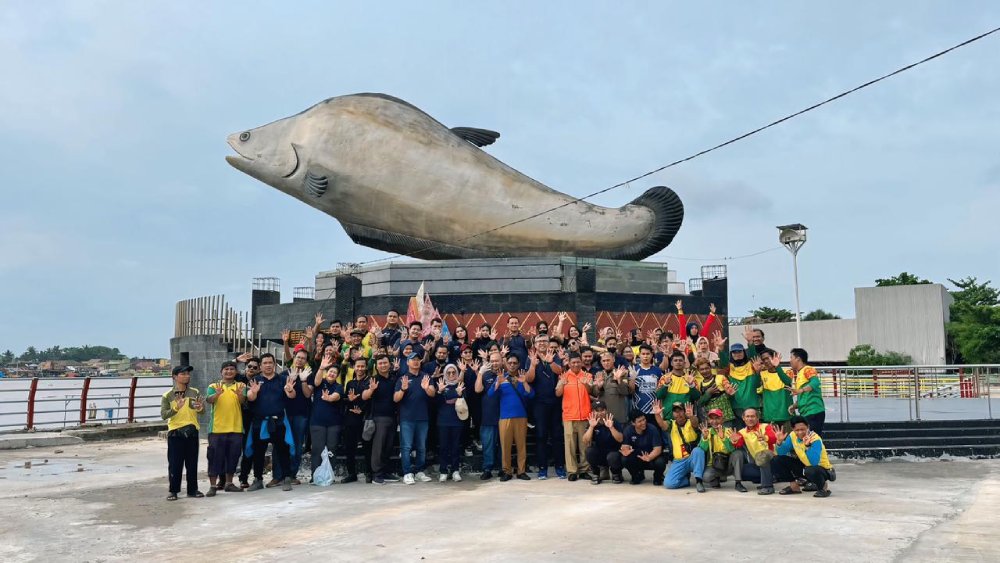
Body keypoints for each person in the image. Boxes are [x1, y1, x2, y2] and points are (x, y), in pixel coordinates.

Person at [246, 353, 296, 492]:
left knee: (282, 450)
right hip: (260, 422)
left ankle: (286, 477)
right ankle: (258, 479)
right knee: (258, 452)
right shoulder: (255, 380)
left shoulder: (283, 379)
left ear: (274, 364)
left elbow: (292, 396)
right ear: (260, 366)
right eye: (265, 363)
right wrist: (254, 392)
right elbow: (249, 398)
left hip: (278, 422)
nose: (268, 365)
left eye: (270, 362)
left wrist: (290, 391)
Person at [525, 334, 566, 480]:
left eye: (544, 341)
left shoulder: (554, 356)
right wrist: (532, 365)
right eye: (539, 341)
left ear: (549, 343)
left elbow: (561, 372)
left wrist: (550, 362)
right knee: (541, 436)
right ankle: (542, 469)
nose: (542, 343)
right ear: (535, 344)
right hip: (539, 403)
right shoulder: (531, 357)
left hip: (555, 402)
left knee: (556, 436)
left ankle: (560, 467)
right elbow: (529, 379)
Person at [161, 365, 205, 500]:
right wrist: (176, 408)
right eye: (183, 374)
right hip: (175, 432)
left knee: (192, 463)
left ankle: (193, 490)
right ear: (175, 377)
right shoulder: (168, 395)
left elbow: (200, 412)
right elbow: (164, 415)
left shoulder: (194, 392)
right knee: (175, 463)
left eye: (188, 374)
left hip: (192, 430)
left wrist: (200, 408)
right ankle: (173, 491)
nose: (187, 376)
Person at [489, 353, 535, 481]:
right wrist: (497, 383)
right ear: (506, 364)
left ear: (519, 364)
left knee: (521, 446)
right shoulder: (501, 377)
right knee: (505, 446)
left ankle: (521, 471)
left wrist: (524, 382)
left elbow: (531, 395)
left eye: (515, 363)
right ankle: (507, 471)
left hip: (521, 416)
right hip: (505, 417)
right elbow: (490, 394)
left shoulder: (522, 377)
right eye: (510, 363)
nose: (512, 365)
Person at [394, 352, 436, 485]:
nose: (416, 362)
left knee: (421, 447)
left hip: (423, 418)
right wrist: (403, 389)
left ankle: (419, 471)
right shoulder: (403, 378)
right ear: (407, 362)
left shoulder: (426, 376)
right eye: (413, 359)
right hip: (407, 418)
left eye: (418, 359)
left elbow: (433, 393)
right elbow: (395, 398)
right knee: (406, 447)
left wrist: (426, 388)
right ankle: (407, 473)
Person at [205, 361, 246, 496]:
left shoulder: (241, 385)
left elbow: (242, 401)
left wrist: (240, 394)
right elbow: (209, 400)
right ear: (221, 371)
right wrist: (217, 394)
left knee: (233, 457)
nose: (229, 371)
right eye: (226, 369)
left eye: (232, 369)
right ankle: (212, 486)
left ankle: (229, 483)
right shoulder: (213, 386)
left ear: (236, 372)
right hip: (217, 429)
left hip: (236, 428)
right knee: (214, 457)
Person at [772, 415, 835, 497]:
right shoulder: (793, 436)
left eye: (803, 429)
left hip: (822, 469)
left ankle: (823, 487)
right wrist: (779, 442)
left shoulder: (815, 439)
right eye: (797, 430)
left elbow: (814, 462)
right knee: (777, 460)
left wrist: (808, 446)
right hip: (805, 467)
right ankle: (794, 487)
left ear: (808, 427)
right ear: (792, 429)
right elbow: (781, 453)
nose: (800, 432)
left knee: (810, 470)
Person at [277, 348, 314, 485]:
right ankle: (279, 475)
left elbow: (307, 394)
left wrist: (303, 380)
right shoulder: (283, 374)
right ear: (293, 357)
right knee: (281, 444)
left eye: (303, 358)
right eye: (298, 357)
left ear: (306, 361)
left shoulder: (309, 375)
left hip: (301, 415)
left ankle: (292, 474)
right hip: (285, 415)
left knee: (297, 445)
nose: (300, 360)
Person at [556, 352, 593, 482]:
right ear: (569, 364)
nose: (576, 364)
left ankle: (584, 470)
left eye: (578, 362)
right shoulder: (564, 376)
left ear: (581, 363)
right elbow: (558, 394)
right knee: (570, 445)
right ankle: (572, 471)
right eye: (573, 363)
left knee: (585, 445)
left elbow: (591, 392)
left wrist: (586, 384)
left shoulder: (588, 376)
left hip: (584, 416)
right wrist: (561, 384)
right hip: (569, 416)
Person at [655, 401, 706, 491]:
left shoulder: (691, 421)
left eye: (680, 411)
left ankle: (699, 481)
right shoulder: (671, 424)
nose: (678, 414)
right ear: (673, 413)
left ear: (685, 411)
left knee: (698, 451)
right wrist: (657, 415)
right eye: (676, 411)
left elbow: (695, 423)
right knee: (669, 484)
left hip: (692, 459)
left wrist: (691, 416)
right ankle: (686, 480)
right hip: (679, 461)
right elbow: (662, 424)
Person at [364, 354, 399, 484]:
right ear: (376, 366)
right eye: (380, 363)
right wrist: (371, 390)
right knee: (378, 448)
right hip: (378, 418)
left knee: (388, 447)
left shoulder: (394, 379)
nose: (383, 365)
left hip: (392, 417)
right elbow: (364, 396)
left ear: (389, 364)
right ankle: (376, 474)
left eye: (385, 363)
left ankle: (385, 472)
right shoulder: (373, 379)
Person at [728, 408, 778, 495]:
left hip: (772, 459)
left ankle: (767, 486)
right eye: (747, 416)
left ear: (757, 418)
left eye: (752, 416)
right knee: (742, 472)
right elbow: (738, 444)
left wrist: (765, 437)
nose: (750, 419)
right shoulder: (742, 432)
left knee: (762, 456)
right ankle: (767, 479)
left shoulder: (765, 426)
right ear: (743, 418)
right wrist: (734, 441)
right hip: (757, 462)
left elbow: (774, 438)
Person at [309, 357, 343, 484]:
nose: (332, 373)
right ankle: (315, 476)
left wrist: (329, 398)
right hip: (317, 422)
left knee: (331, 449)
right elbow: (316, 382)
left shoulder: (338, 386)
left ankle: (330, 475)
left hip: (334, 423)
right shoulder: (320, 383)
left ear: (337, 376)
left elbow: (337, 396)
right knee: (317, 449)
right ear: (326, 372)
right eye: (330, 371)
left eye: (335, 372)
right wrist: (321, 367)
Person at [611, 410, 666, 486]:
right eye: (639, 421)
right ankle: (636, 476)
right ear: (633, 423)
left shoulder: (652, 429)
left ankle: (658, 477)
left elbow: (658, 449)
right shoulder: (628, 430)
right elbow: (625, 446)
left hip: (651, 457)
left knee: (661, 462)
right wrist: (626, 451)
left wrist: (649, 457)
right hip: (638, 458)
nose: (643, 423)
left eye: (644, 419)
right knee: (625, 459)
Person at [699, 408, 744, 491]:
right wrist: (704, 438)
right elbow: (702, 450)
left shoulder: (729, 431)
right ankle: (716, 478)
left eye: (717, 418)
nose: (714, 421)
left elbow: (732, 450)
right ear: (708, 420)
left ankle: (738, 483)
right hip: (714, 465)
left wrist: (723, 438)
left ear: (722, 419)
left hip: (728, 465)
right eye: (712, 418)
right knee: (706, 477)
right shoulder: (706, 432)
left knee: (738, 453)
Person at [341, 357, 371, 483]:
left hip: (364, 419)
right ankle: (351, 473)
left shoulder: (369, 382)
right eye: (357, 366)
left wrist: (362, 410)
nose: (360, 369)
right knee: (350, 448)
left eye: (362, 366)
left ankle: (369, 472)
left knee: (367, 447)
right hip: (350, 419)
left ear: (366, 367)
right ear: (354, 367)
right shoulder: (350, 383)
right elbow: (345, 400)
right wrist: (350, 401)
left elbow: (371, 400)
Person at [435, 364, 466, 482]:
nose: (452, 375)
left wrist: (457, 395)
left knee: (455, 447)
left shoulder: (460, 385)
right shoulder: (441, 384)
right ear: (445, 374)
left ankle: (455, 470)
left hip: (457, 420)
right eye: (449, 373)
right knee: (443, 447)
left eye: (454, 372)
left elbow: (465, 400)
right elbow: (436, 403)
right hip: (443, 421)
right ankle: (443, 470)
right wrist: (440, 392)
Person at [476, 351, 503, 480]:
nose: (494, 363)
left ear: (502, 361)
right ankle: (488, 469)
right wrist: (480, 373)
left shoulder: (506, 375)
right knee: (488, 445)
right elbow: (477, 389)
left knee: (503, 445)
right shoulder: (485, 375)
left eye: (497, 360)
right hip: (488, 416)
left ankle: (504, 468)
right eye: (492, 361)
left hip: (504, 416)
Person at [582, 401, 624, 485]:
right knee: (589, 451)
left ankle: (616, 473)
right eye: (597, 411)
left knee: (613, 456)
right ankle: (596, 474)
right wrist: (591, 427)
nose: (600, 413)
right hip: (599, 452)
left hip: (613, 452)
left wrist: (611, 427)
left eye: (602, 410)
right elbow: (585, 441)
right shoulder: (592, 422)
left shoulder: (613, 421)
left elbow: (620, 439)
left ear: (606, 410)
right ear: (593, 412)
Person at [720, 342, 760, 429]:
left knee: (756, 433)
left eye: (739, 352)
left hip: (752, 405)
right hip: (736, 407)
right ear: (731, 354)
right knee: (740, 435)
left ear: (744, 352)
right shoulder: (729, 367)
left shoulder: (752, 365)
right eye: (734, 352)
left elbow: (757, 384)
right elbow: (723, 362)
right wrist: (721, 348)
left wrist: (750, 343)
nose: (737, 354)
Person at [788, 348, 826, 435]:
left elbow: (815, 382)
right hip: (806, 413)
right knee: (807, 440)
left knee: (812, 439)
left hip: (814, 411)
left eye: (791, 358)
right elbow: (804, 395)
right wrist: (795, 405)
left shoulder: (807, 369)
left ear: (798, 359)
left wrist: (801, 390)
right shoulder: (799, 374)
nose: (790, 361)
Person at [236, 356, 260, 488]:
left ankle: (251, 477)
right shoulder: (239, 379)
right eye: (249, 366)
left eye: (254, 367)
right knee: (240, 450)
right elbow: (227, 371)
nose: (251, 369)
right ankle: (237, 478)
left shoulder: (259, 381)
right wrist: (237, 361)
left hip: (255, 419)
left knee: (252, 449)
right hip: (239, 419)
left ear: (259, 370)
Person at [654, 351, 701, 418]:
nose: (678, 362)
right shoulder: (665, 378)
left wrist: (691, 385)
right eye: (675, 360)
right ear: (671, 363)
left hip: (686, 418)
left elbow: (697, 397)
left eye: (680, 360)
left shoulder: (691, 379)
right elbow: (658, 396)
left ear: (684, 363)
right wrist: (666, 385)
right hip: (669, 418)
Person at [593, 355, 634, 424]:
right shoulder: (598, 374)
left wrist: (618, 380)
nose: (606, 363)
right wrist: (599, 387)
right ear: (601, 362)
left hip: (618, 417)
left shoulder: (622, 373)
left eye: (608, 360)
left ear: (613, 360)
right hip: (603, 418)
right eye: (604, 361)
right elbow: (595, 394)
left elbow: (625, 392)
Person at [756, 350, 792, 428]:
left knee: (788, 439)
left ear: (774, 357)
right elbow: (756, 388)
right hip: (770, 416)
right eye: (763, 359)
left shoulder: (787, 372)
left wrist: (777, 366)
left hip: (786, 416)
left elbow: (787, 381)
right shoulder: (762, 374)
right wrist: (757, 372)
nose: (765, 361)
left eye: (767, 358)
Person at [632, 344, 665, 423]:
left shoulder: (658, 371)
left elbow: (661, 392)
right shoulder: (634, 370)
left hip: (654, 410)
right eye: (643, 354)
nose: (645, 356)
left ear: (652, 355)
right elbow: (630, 390)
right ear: (639, 355)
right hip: (638, 410)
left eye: (648, 354)